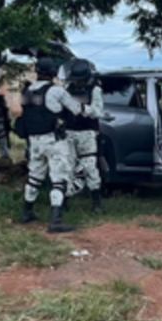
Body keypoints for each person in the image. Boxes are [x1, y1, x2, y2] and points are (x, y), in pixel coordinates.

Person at [18, 57, 89, 233]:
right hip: (54, 140)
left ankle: (27, 212)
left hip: (34, 141)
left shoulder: (26, 91)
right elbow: (77, 109)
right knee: (59, 179)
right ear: (53, 72)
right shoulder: (56, 91)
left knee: (34, 177)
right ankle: (55, 221)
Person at [63, 58, 104, 214]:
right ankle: (64, 201)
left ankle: (97, 202)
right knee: (68, 166)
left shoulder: (94, 90)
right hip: (69, 131)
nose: (77, 83)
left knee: (89, 167)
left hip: (87, 132)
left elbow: (98, 111)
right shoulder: (69, 88)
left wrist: (81, 108)